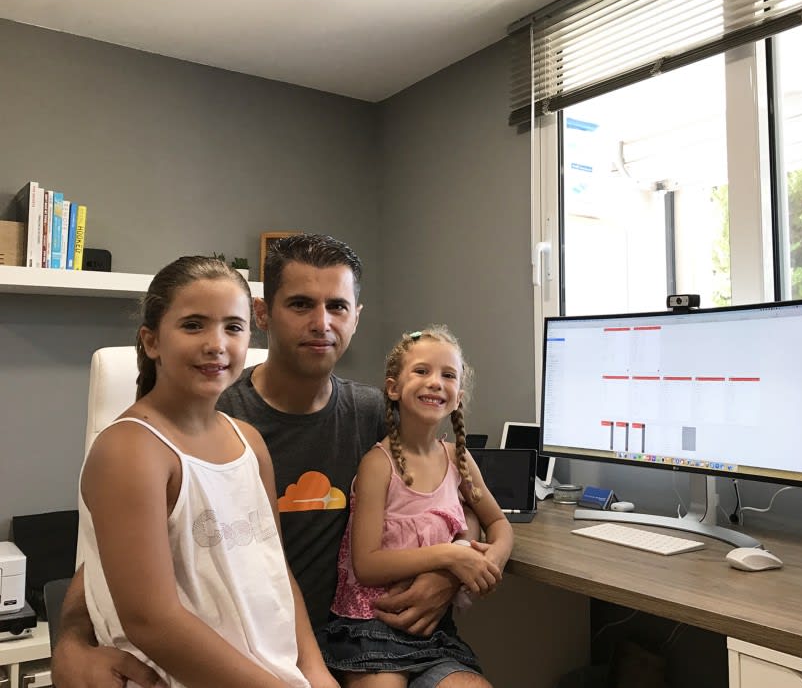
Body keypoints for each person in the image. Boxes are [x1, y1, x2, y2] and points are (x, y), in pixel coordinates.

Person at [53, 235, 472, 688]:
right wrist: (71, 643)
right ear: (263, 313)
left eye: (337, 306)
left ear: (356, 317)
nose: (321, 323)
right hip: (236, 661)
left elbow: (456, 492)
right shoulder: (204, 415)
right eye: (299, 304)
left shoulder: (378, 417)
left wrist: (450, 571)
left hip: (357, 641)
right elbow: (116, 557)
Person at [76, 255, 336, 688]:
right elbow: (151, 621)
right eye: (193, 325)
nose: (216, 343)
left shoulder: (249, 441)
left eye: (232, 327)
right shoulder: (131, 449)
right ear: (152, 341)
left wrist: (314, 669)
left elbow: (277, 570)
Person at [318, 326, 513, 687]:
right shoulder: (379, 465)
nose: (435, 382)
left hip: (433, 631)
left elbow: (498, 522)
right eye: (422, 371)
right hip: (370, 627)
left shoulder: (460, 460)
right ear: (393, 388)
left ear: (458, 397)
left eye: (448, 375)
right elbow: (368, 565)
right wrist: (451, 556)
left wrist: (489, 561)